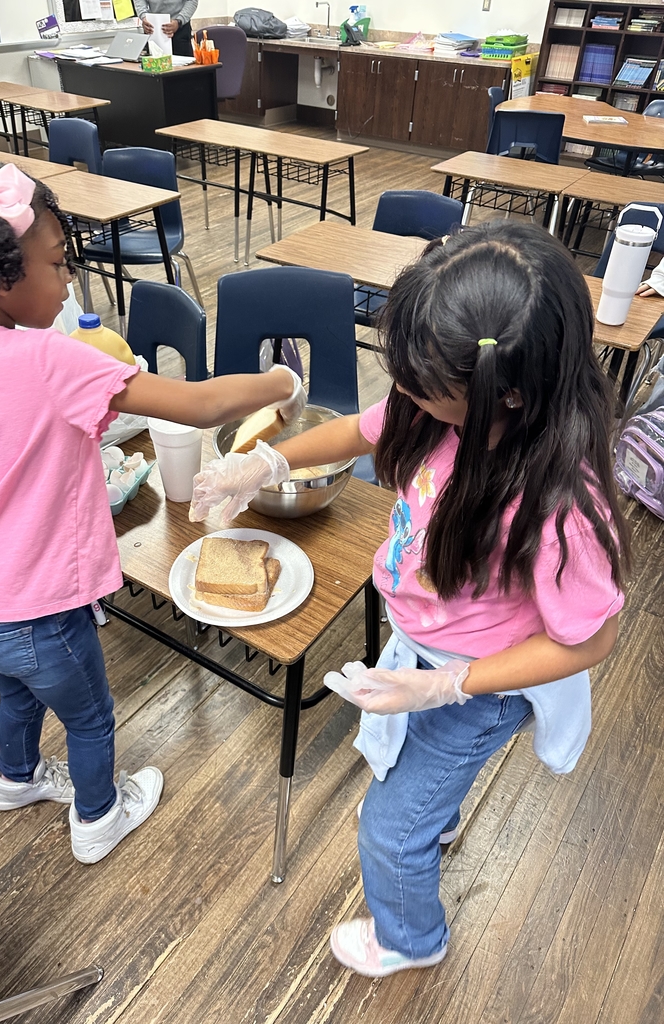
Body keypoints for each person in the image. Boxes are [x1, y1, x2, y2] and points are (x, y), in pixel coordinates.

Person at [189, 221, 629, 976]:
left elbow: (590, 639)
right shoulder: (438, 413)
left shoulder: (557, 503)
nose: (405, 400)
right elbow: (358, 433)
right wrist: (263, 462)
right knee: (422, 786)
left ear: (508, 396)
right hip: (431, 642)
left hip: (481, 682)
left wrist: (447, 684)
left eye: (427, 389)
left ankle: (410, 940)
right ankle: (442, 814)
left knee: (389, 832)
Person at [0, 154, 304, 865]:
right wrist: (281, 379)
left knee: (18, 698)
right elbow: (202, 401)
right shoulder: (51, 363)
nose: (69, 280)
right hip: (38, 611)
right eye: (57, 262)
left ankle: (14, 777)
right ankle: (98, 818)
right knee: (89, 717)